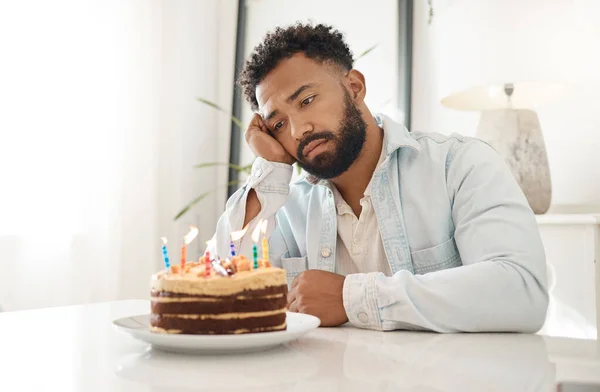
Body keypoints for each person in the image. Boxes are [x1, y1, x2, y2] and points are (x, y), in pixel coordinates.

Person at [211, 23, 548, 332]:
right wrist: (270, 168)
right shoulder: (285, 207)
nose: (299, 130)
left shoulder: (459, 165)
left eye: (307, 100)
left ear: (354, 86)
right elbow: (219, 292)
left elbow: (522, 293)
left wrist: (351, 298)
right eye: (279, 124)